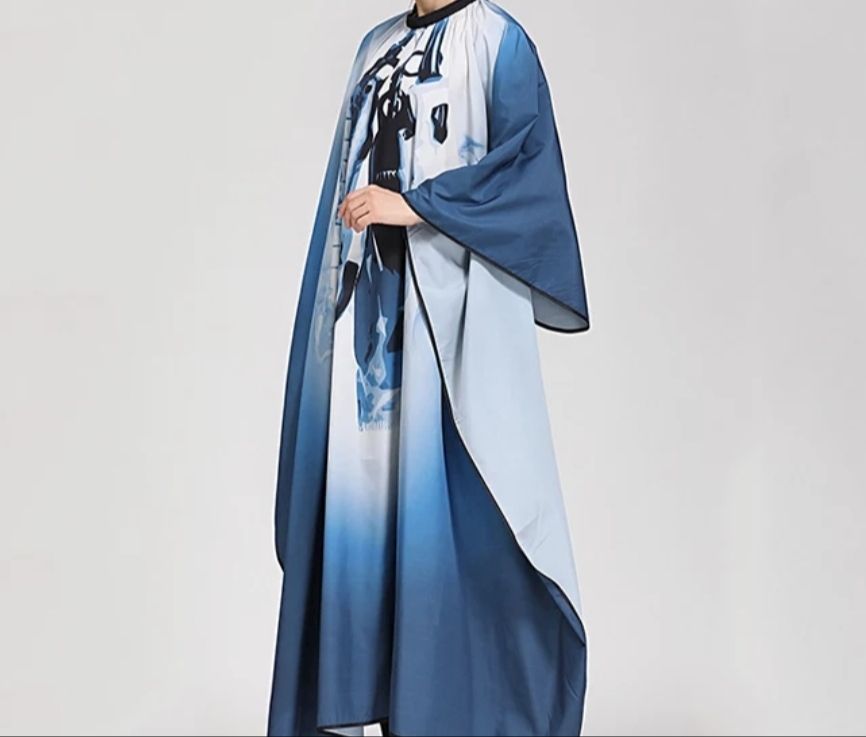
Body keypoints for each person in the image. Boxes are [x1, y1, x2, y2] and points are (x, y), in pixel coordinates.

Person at [268, 1, 591, 735]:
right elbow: (341, 194)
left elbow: (526, 175)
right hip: (366, 338)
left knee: (459, 526)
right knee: (365, 527)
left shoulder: (498, 44)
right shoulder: (374, 47)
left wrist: (418, 205)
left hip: (450, 339)